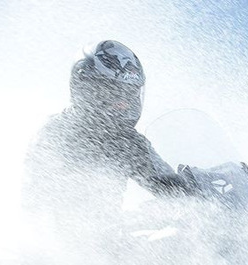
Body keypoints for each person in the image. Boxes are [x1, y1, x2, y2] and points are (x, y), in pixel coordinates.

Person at [22, 40, 191, 239]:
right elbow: (38, 205)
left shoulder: (128, 141)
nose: (124, 103)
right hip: (59, 252)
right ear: (85, 89)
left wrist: (205, 187)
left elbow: (168, 186)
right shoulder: (55, 135)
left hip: (107, 245)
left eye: (130, 93)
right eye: (114, 92)